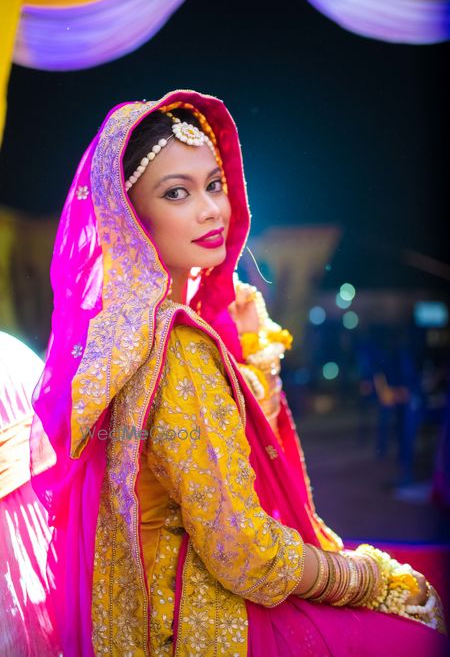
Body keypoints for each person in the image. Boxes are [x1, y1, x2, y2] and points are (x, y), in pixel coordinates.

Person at [30, 90, 448, 656]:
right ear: (132, 217)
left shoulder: (120, 334)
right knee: (418, 628)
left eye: (214, 184)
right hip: (193, 621)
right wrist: (368, 578)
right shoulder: (177, 346)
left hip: (134, 613)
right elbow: (244, 555)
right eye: (177, 193)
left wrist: (255, 352)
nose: (211, 210)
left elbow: (218, 442)